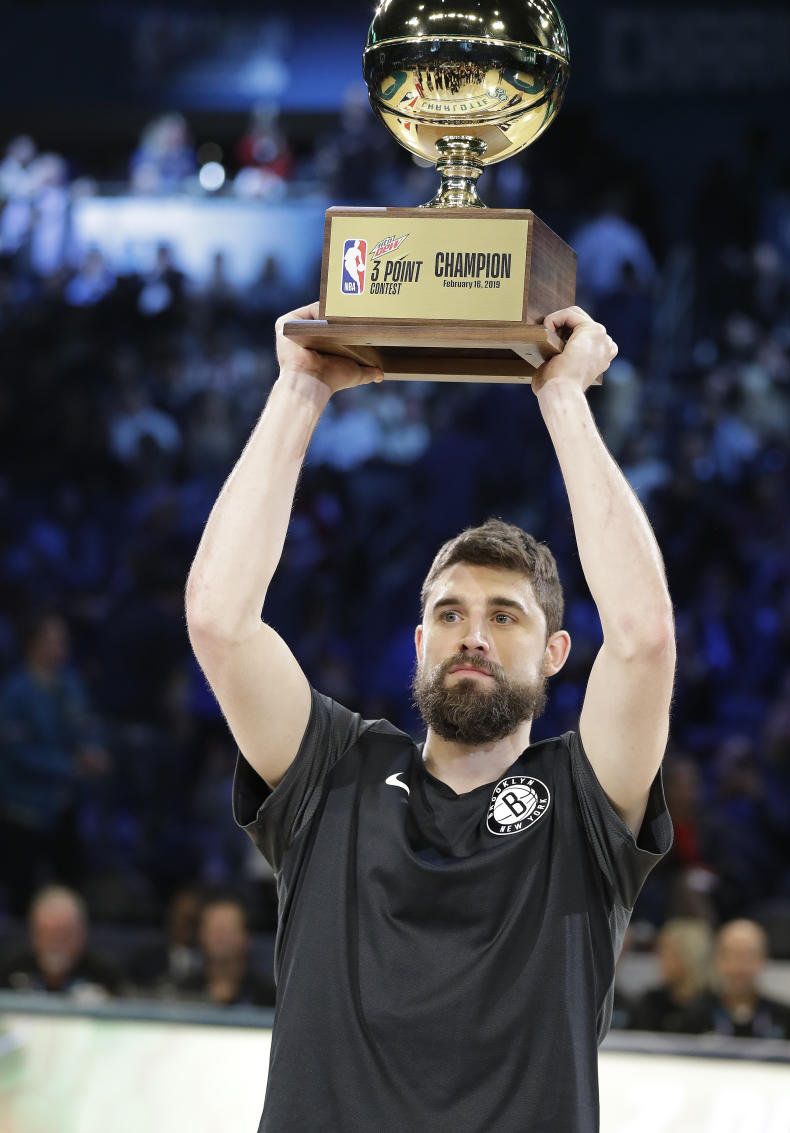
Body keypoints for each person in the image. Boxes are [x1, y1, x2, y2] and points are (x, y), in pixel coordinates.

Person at [185, 302, 675, 1132]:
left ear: (557, 651)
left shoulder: (586, 799)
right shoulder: (333, 768)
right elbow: (219, 622)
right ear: (418, 642)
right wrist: (299, 388)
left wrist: (563, 397)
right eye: (449, 614)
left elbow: (645, 636)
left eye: (504, 616)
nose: (472, 636)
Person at [0, 612, 111, 914]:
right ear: (32, 644)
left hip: (65, 803)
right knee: (20, 887)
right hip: (23, 807)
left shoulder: (71, 683)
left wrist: (94, 751)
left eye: (63, 639)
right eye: (53, 639)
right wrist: (70, 766)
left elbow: (88, 726)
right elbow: (16, 751)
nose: (61, 646)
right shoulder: (15, 691)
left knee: (71, 880)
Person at [678, 919, 790, 1041]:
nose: (739, 967)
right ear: (717, 960)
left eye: (748, 956)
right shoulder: (695, 1016)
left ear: (763, 959)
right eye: (731, 955)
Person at [0, 885, 123, 998]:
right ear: (33, 935)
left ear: (81, 934)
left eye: (64, 936)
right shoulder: (10, 969)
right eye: (47, 936)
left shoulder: (105, 976)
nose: (55, 946)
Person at [174, 892, 274, 1008]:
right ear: (201, 935)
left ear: (246, 937)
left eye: (228, 930)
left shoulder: (268, 996)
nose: (220, 937)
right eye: (214, 930)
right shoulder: (183, 991)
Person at [629, 917, 713, 1032]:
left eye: (668, 952)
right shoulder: (651, 1002)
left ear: (688, 957)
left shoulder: (711, 1005)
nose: (660, 959)